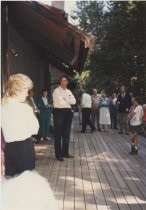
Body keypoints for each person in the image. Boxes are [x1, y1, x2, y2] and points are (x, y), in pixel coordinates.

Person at [1, 73, 39, 177]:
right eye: (26, 90)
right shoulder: (25, 108)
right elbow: (35, 129)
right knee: (26, 184)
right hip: (24, 149)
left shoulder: (2, 107)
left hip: (9, 149)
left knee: (11, 182)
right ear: (18, 90)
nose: (27, 94)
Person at [52, 75, 76, 161]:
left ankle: (65, 153)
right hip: (59, 112)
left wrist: (66, 99)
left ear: (67, 82)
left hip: (68, 112)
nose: (63, 82)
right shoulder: (56, 91)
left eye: (65, 80)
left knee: (67, 134)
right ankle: (58, 155)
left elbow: (74, 101)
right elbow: (61, 103)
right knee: (58, 134)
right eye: (62, 80)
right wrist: (67, 100)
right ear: (60, 82)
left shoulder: (69, 91)